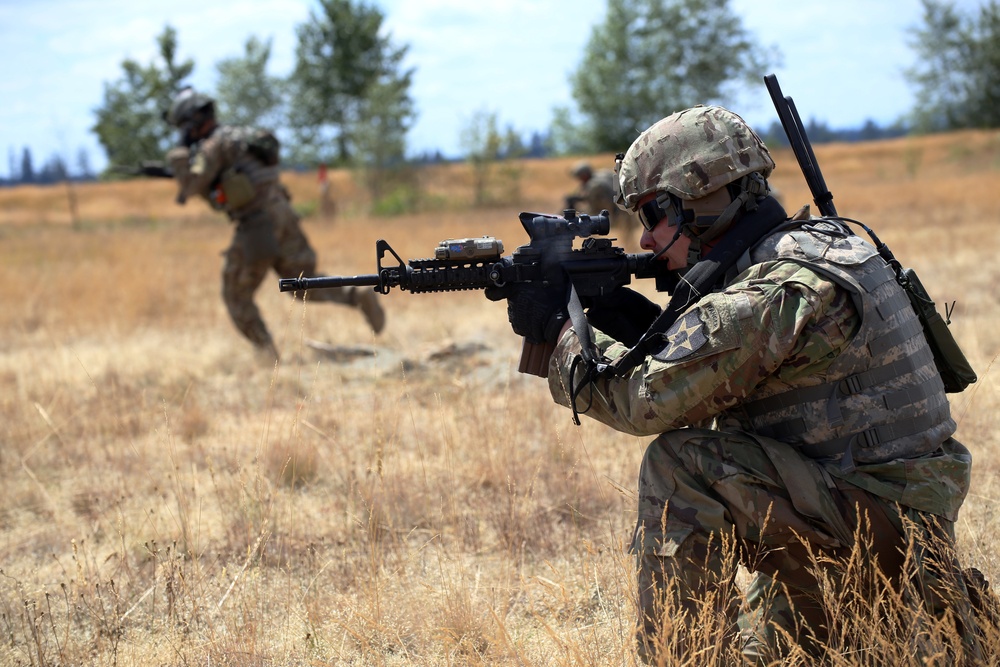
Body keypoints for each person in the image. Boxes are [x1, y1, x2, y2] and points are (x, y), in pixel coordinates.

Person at [493, 106, 991, 663]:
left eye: (655, 213)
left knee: (680, 466)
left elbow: (645, 402)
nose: (646, 237)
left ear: (700, 203)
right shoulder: (822, 246)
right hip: (888, 523)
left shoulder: (771, 292)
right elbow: (713, 365)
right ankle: (906, 621)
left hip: (875, 535)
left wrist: (561, 334)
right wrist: (619, 310)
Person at [163, 87, 384, 360]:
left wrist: (180, 160)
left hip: (258, 225)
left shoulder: (214, 146)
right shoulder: (240, 137)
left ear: (195, 121)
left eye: (185, 126)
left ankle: (268, 357)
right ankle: (356, 294)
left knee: (235, 294)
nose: (185, 132)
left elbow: (192, 186)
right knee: (303, 284)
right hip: (284, 215)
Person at [566, 161, 639, 244]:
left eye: (580, 177)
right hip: (625, 207)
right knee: (629, 239)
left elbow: (592, 208)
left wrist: (576, 209)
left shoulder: (593, 185)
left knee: (627, 240)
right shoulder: (603, 174)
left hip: (618, 212)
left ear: (584, 175)